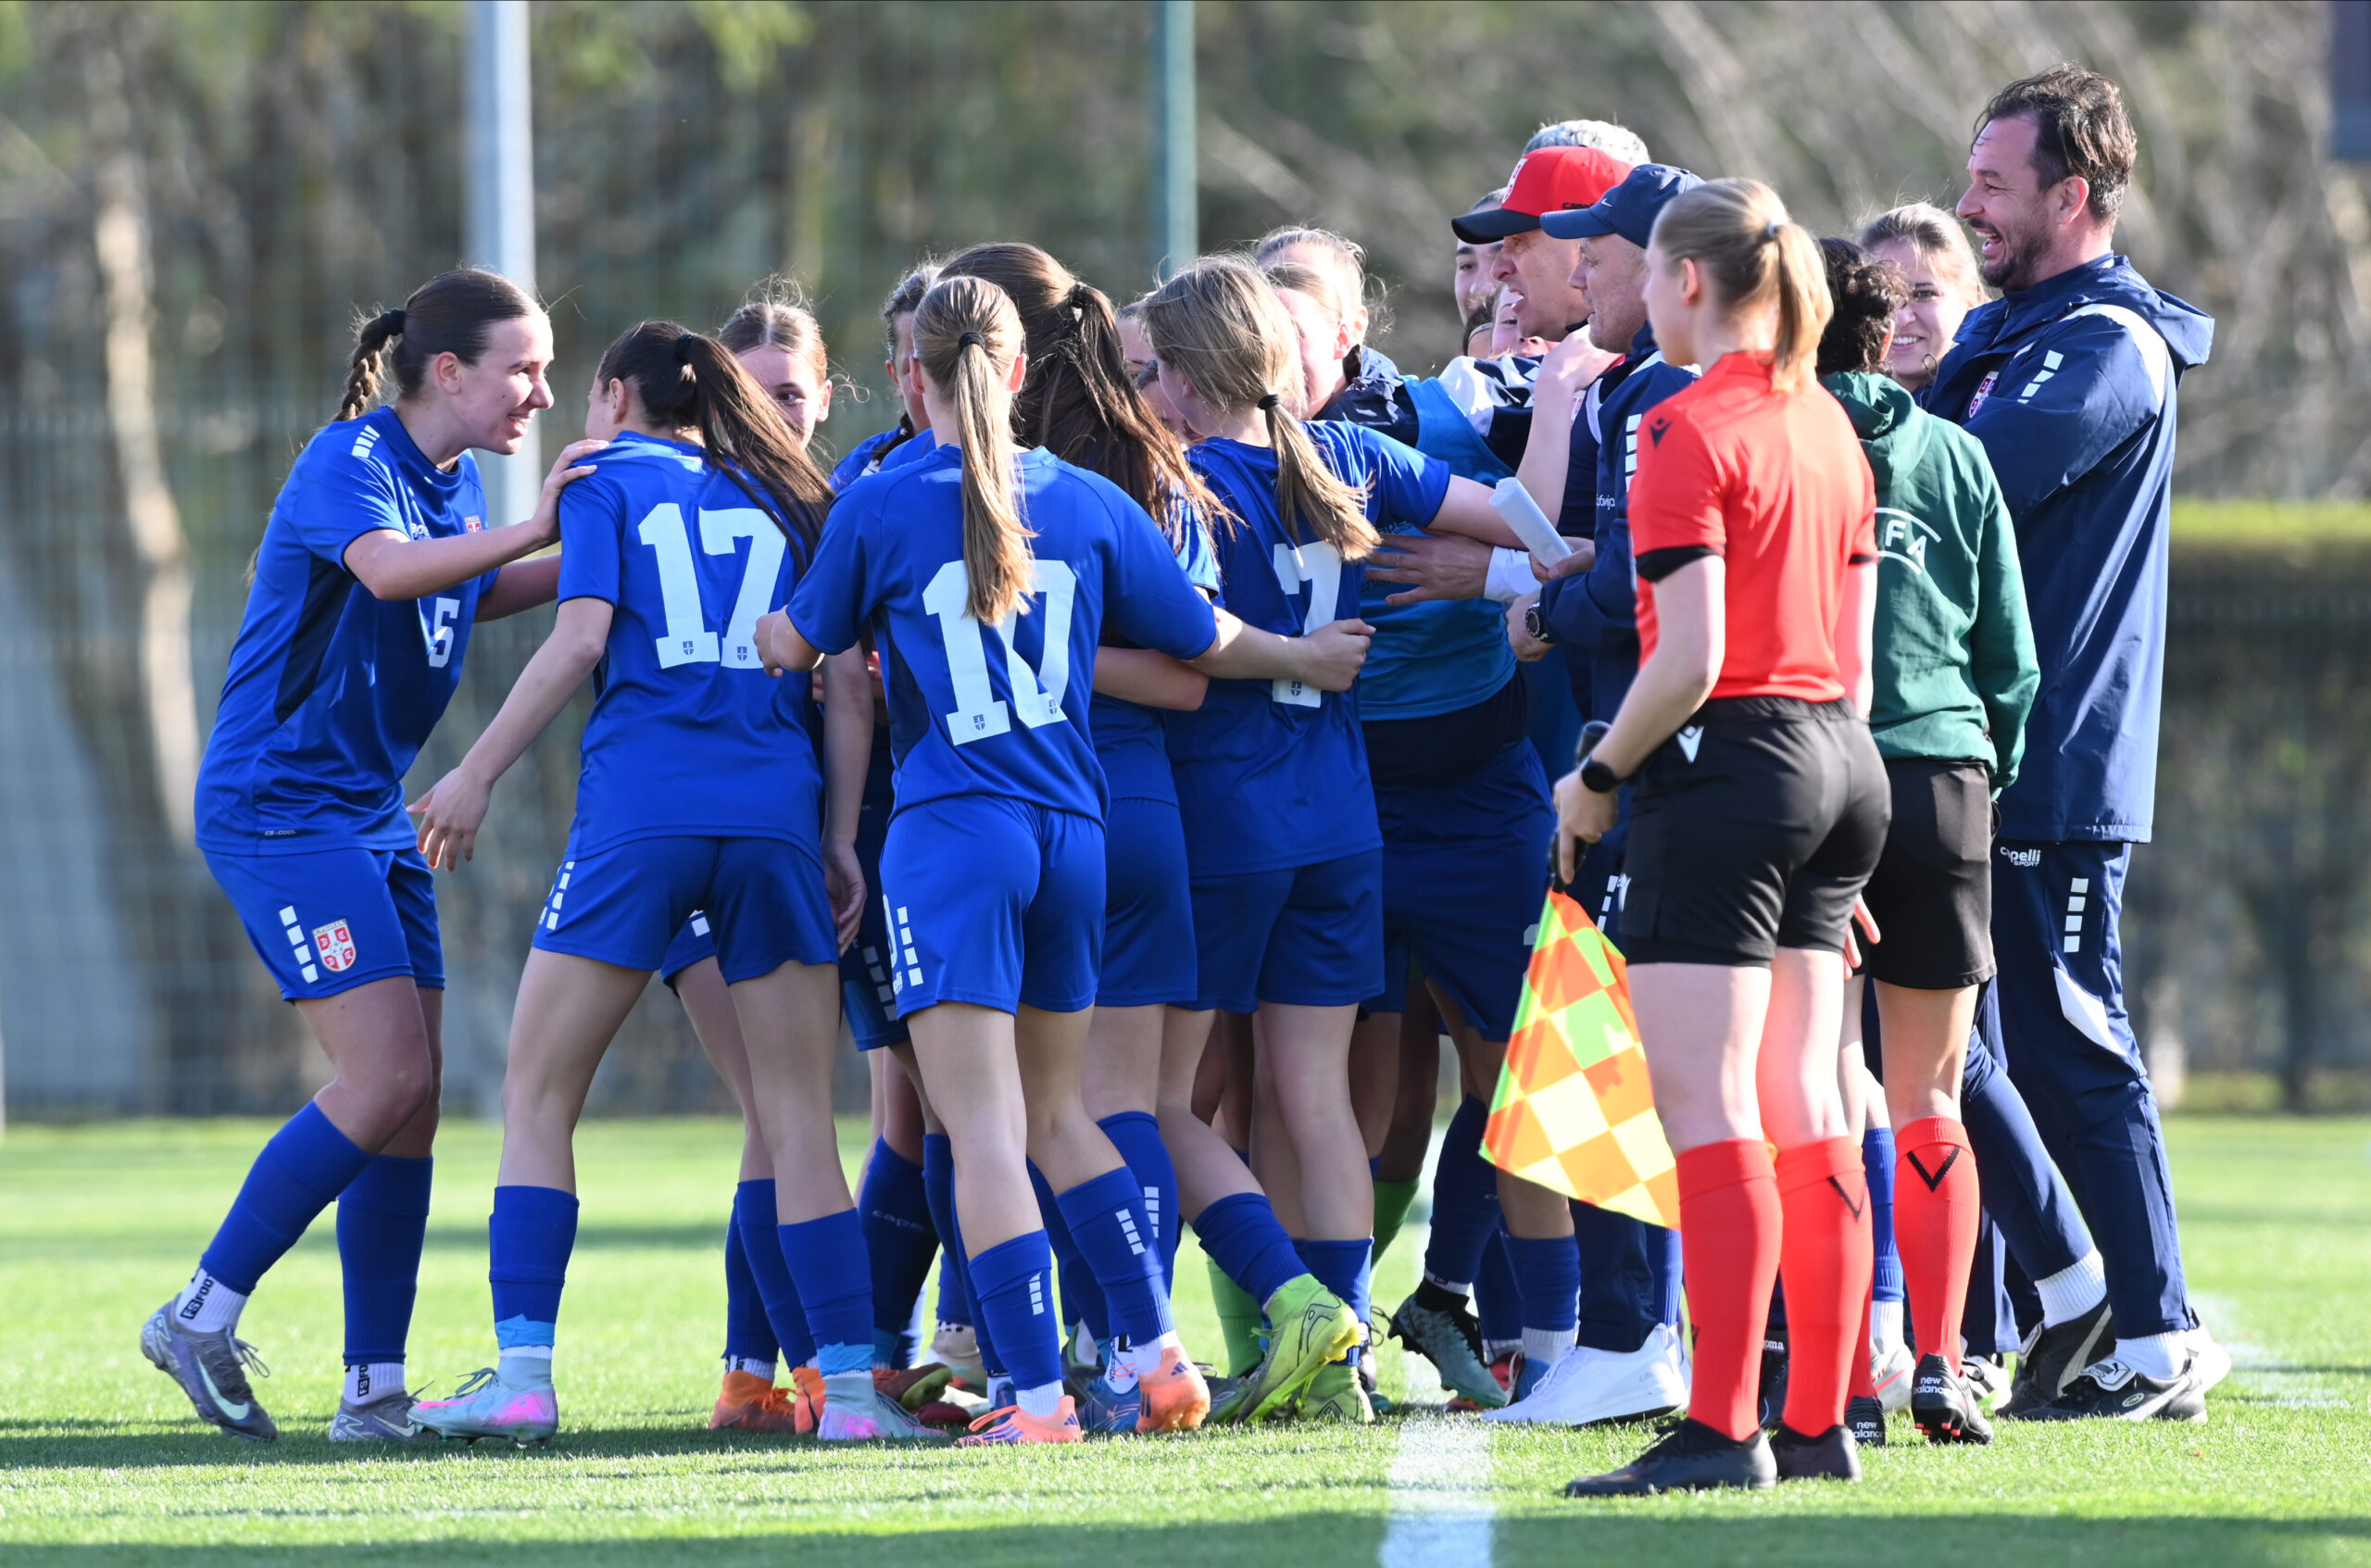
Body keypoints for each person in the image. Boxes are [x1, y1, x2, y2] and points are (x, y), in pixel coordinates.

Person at [400, 321, 922, 1446]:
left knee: (539, 1097)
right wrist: (838, 840)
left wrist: (474, 772)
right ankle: (855, 1395)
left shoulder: (605, 478)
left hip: (642, 821)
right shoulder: (790, 493)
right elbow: (845, 690)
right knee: (796, 1119)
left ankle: (525, 1379)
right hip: (778, 823)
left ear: (611, 393)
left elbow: (581, 640)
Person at [757, 273, 1244, 1446]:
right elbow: (1200, 637)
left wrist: (793, 627)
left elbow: (791, 642)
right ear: (1022, 372)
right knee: (1059, 1115)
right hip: (1073, 833)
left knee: (981, 1131)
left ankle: (1034, 1402)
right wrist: (1309, 655)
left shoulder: (875, 502)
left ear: (909, 376)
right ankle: (1161, 1354)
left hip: (953, 838)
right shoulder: (1084, 500)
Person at [147, 268, 595, 1443]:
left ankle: (371, 1391)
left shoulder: (448, 488)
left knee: (413, 1106)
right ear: (447, 370)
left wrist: (616, 557)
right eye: (523, 369)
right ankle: (199, 1312)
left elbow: (480, 586)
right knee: (384, 1076)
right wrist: (547, 522)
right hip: (279, 809)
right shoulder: (348, 462)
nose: (540, 395)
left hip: (367, 814)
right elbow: (393, 573)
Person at [1142, 256, 1530, 1424]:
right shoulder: (1349, 456)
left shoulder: (1192, 485)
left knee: (1164, 1103)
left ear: (1190, 375)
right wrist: (1544, 568)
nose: (1144, 394)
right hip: (1341, 822)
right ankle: (1344, 1360)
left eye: (1153, 371)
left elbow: (1187, 639)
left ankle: (1279, 1311)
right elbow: (1495, 512)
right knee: (1314, 1093)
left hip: (1227, 825)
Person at [1555, 178, 1889, 1495]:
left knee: (1708, 1105)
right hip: (1839, 761)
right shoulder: (1831, 426)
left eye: (1643, 272)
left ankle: (1721, 1423)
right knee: (1809, 1105)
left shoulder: (1684, 427)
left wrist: (1596, 773)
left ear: (1688, 281)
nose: (1635, 294)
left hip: (1729, 762)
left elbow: (1688, 657)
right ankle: (1818, 1420)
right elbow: (1851, 666)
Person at [1923, 65, 2224, 1422]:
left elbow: (1964, 476)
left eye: (1994, 182)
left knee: (2067, 1037)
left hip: (2055, 765)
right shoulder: (2015, 331)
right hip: (1983, 755)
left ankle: (2158, 1335)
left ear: (2073, 193)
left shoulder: (2106, 343)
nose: (1968, 203)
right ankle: (2061, 1301)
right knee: (1966, 1047)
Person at [1815, 238, 2039, 1445]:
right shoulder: (1955, 450)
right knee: (1930, 1094)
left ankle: (1851, 1371)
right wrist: (1981, 769)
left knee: (1823, 1088)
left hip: (1818, 779)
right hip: (1947, 780)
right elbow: (2011, 652)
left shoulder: (1789, 441)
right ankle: (1946, 1359)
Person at [1859, 204, 1988, 394]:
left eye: (1923, 294)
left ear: (1969, 297)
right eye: (1883, 293)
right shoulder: (1831, 404)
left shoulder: (2008, 393)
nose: (1899, 318)